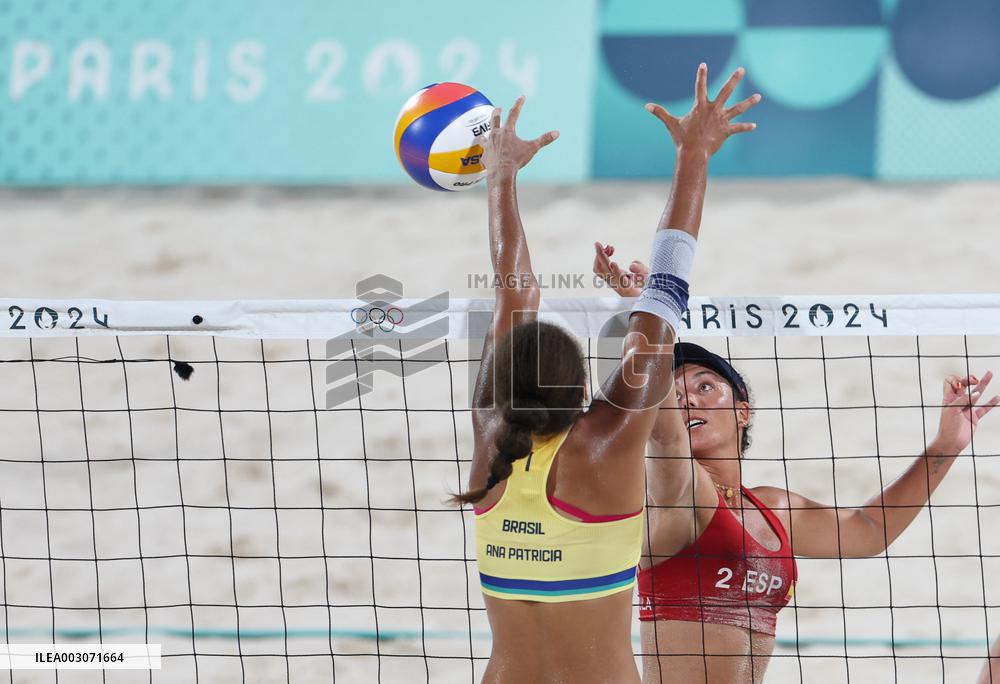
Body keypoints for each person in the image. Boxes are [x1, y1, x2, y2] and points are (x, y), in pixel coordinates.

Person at [453, 63, 759, 683]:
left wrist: (500, 177)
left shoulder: (490, 434)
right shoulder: (608, 442)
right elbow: (667, 280)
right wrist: (693, 155)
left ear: (499, 383)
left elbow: (514, 293)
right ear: (583, 390)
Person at [593, 252, 1000, 683]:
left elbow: (870, 530)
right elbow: (661, 429)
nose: (688, 399)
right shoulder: (676, 495)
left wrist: (946, 446)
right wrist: (644, 312)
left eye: (705, 386)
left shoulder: (773, 509)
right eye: (674, 395)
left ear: (742, 412)